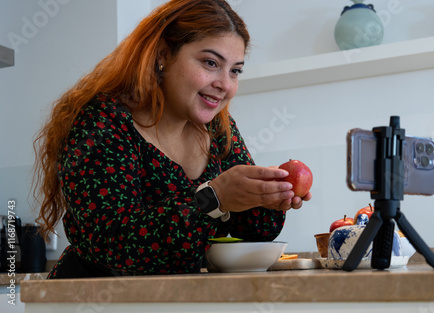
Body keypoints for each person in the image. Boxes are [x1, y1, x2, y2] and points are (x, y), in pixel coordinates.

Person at [33, 0, 312, 279]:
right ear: (163, 55)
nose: (225, 84)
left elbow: (253, 231)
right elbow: (114, 244)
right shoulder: (103, 123)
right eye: (210, 63)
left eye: (235, 70)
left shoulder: (218, 129)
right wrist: (213, 199)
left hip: (174, 298)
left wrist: (267, 198)